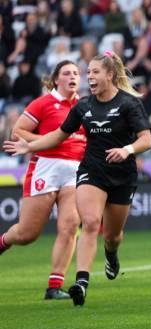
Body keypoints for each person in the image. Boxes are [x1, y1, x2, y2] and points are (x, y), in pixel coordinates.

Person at [3, 51, 151, 306]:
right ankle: (81, 282)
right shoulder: (77, 106)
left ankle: (98, 261)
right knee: (82, 224)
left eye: (90, 72)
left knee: (102, 233)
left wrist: (126, 150)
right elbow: (57, 135)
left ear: (110, 75)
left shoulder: (126, 103)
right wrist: (31, 146)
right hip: (82, 170)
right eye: (85, 73)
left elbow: (146, 139)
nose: (85, 77)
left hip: (113, 173)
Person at [0, 60, 85, 300]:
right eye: (67, 73)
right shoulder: (43, 103)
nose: (73, 77)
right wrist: (38, 142)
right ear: (56, 79)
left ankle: (54, 286)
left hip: (76, 170)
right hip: (46, 168)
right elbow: (18, 131)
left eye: (76, 73)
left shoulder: (85, 106)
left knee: (70, 226)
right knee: (27, 234)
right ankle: (3, 241)